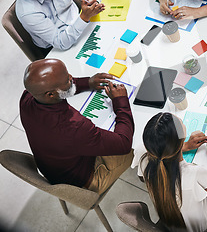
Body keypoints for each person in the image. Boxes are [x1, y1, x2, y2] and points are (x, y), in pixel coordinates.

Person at [20, 59, 134, 194]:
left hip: (57, 168)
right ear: (50, 94)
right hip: (84, 181)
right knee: (140, 146)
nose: (71, 78)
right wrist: (120, 101)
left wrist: (87, 83)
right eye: (68, 81)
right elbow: (124, 143)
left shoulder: (27, 98)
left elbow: (59, 88)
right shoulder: (73, 127)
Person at [141, 112, 207, 231]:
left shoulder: (144, 161)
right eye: (181, 121)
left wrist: (184, 146)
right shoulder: (195, 173)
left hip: (177, 223)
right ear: (181, 137)